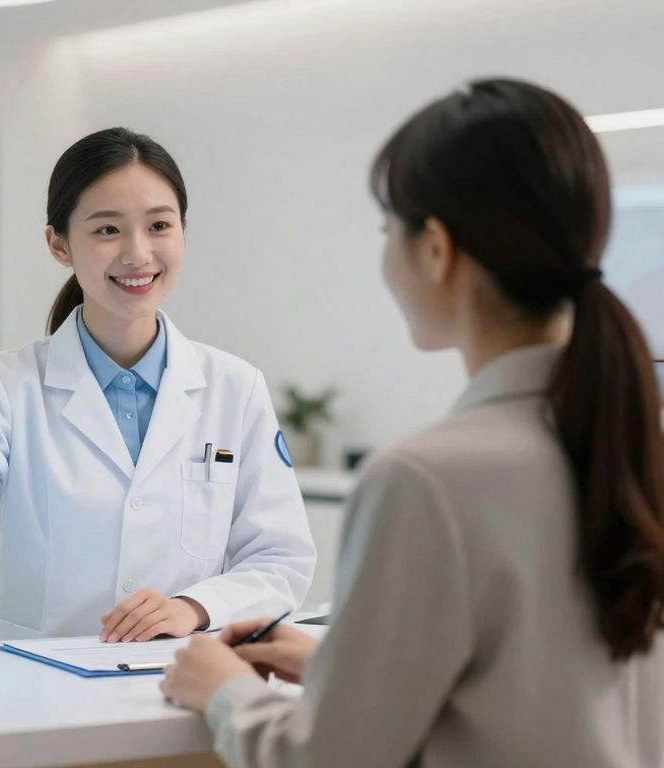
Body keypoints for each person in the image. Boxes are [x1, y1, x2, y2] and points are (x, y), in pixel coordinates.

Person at [161, 79, 664, 766]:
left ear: (435, 248)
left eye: (386, 230)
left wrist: (221, 692)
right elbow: (552, 696)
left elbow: (328, 760)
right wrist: (348, 670)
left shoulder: (425, 480)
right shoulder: (634, 443)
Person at [0, 127, 315, 642]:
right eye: (107, 231)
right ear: (59, 244)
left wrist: (194, 606)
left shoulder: (235, 388)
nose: (138, 254)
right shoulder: (4, 385)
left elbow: (282, 560)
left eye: (160, 225)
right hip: (35, 685)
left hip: (180, 679)